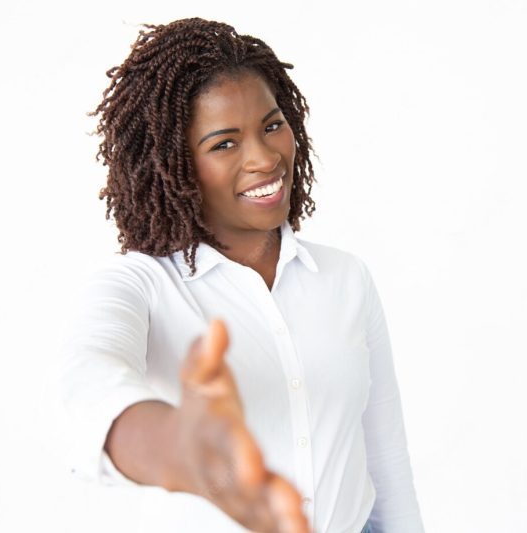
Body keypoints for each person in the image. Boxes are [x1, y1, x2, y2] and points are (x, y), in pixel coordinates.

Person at [54, 17, 424, 533]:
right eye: (224, 143)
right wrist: (178, 447)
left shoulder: (345, 278)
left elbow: (386, 460)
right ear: (175, 162)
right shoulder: (140, 286)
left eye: (272, 125)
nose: (266, 157)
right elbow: (88, 382)